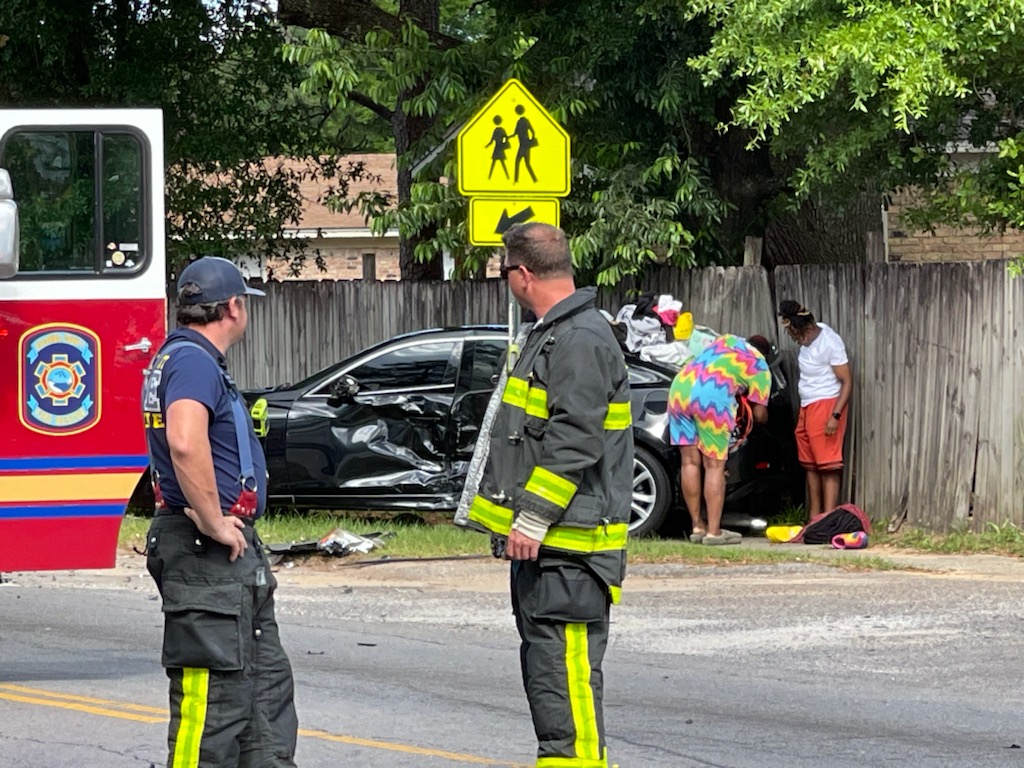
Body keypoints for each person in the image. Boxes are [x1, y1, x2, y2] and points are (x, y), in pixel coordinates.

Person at [467, 222, 633, 768]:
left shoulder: (579, 339)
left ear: (521, 274)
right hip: (554, 554)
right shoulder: (554, 333)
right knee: (551, 692)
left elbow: (575, 438)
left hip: (572, 554)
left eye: (504, 273)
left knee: (568, 702)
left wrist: (533, 517)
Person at [142, 257, 298, 768]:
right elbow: (185, 442)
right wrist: (210, 518)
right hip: (204, 554)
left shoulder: (187, 358)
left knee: (262, 701)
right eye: (244, 302)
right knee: (210, 717)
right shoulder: (192, 361)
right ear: (233, 307)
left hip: (224, 563)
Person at [668, 334, 772, 545]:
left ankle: (697, 526)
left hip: (680, 387)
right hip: (711, 395)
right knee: (714, 465)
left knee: (689, 461)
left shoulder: (725, 340)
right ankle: (714, 532)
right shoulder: (761, 366)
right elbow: (759, 415)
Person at [778, 300, 853, 521]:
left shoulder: (830, 342)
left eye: (799, 336)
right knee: (810, 465)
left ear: (809, 329)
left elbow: (847, 382)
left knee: (828, 466)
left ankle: (828, 518)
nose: (798, 340)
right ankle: (814, 518)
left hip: (826, 404)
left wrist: (835, 416)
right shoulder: (807, 340)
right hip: (807, 405)